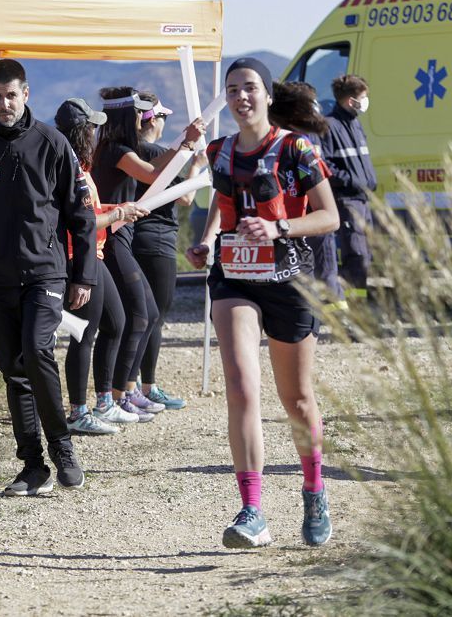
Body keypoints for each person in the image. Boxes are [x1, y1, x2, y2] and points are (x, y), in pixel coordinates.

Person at [185, 57, 339, 549]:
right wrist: (209, 240)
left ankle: (314, 492)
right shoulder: (218, 151)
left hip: (289, 281)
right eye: (232, 89)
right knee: (241, 388)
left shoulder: (296, 149)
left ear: (267, 95)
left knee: (296, 399)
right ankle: (252, 510)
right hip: (235, 279)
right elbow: (221, 200)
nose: (240, 96)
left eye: (249, 87)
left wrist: (279, 227)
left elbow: (329, 216)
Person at [0, 59, 96, 495]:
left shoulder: (51, 142)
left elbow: (80, 215)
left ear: (26, 94)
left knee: (37, 351)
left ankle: (62, 447)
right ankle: (33, 465)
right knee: (14, 369)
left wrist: (82, 274)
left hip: (45, 273)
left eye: (11, 95)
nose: (4, 104)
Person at [91, 87, 205, 423]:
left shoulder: (119, 149)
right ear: (128, 116)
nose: (148, 120)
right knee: (138, 315)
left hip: (122, 236)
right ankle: (116, 395)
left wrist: (183, 145)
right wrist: (184, 144)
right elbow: (154, 174)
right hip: (112, 237)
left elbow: (153, 169)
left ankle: (126, 391)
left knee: (144, 314)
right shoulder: (115, 149)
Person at [53, 98, 148, 435]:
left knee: (115, 323)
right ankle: (79, 411)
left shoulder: (80, 167)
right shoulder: (68, 169)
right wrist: (118, 214)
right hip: (79, 256)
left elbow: (89, 209)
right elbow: (80, 223)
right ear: (82, 131)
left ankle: (104, 402)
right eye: (92, 126)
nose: (96, 132)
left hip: (94, 254)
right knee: (84, 334)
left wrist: (118, 206)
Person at [131, 92, 203, 410]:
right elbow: (185, 198)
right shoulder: (160, 153)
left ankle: (129, 386)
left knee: (136, 316)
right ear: (153, 120)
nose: (164, 125)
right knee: (154, 317)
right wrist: (197, 164)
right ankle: (147, 385)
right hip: (158, 240)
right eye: (163, 118)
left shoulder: (129, 153)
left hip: (129, 238)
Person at [268, 81, 344, 302]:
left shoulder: (303, 143)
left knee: (323, 268)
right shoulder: (275, 142)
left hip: (311, 219)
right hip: (286, 229)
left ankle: (331, 310)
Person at [321, 74, 376, 300]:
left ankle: (359, 299)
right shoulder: (330, 126)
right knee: (355, 253)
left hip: (363, 199)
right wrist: (352, 181)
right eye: (363, 97)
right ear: (350, 100)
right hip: (347, 200)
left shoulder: (354, 123)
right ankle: (356, 304)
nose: (365, 102)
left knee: (366, 253)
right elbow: (326, 165)